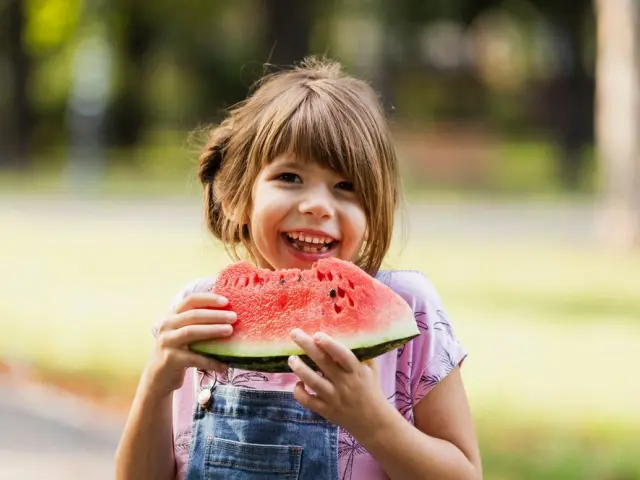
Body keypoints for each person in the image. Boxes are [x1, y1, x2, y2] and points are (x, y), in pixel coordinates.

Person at [115, 57, 482, 480]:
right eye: (290, 177)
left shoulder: (410, 309)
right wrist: (157, 383)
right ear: (237, 196)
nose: (317, 206)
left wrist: (371, 419)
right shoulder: (202, 312)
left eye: (347, 187)